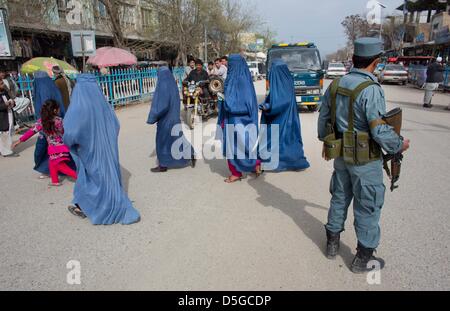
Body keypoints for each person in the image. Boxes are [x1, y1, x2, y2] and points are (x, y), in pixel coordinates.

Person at [318, 37, 410, 274]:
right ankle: (363, 259)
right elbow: (379, 129)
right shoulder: (371, 90)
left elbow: (323, 118)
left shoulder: (336, 84)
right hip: (366, 160)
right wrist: (398, 145)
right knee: (368, 205)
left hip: (341, 156)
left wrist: (325, 140)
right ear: (376, 62)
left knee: (339, 197)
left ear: (354, 59)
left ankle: (331, 245)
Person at [63, 73, 141, 225]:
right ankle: (108, 202)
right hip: (107, 147)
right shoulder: (102, 103)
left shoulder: (79, 105)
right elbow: (116, 125)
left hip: (87, 148)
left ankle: (87, 206)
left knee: (90, 176)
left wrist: (73, 143)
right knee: (106, 175)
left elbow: (70, 132)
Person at [259, 59, 310, 172]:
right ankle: (291, 161)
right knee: (288, 139)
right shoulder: (287, 79)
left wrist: (267, 107)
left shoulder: (281, 81)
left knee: (279, 139)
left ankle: (279, 162)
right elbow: (275, 97)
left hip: (281, 116)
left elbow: (282, 100)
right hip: (288, 116)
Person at [218, 54, 261, 183]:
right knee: (248, 143)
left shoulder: (239, 80)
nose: (227, 65)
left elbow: (244, 104)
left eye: (229, 64)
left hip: (237, 119)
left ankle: (236, 173)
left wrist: (225, 101)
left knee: (234, 146)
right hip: (241, 119)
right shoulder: (243, 78)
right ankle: (256, 164)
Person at [12, 100, 77, 186]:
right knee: (52, 163)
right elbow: (65, 132)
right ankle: (55, 181)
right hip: (61, 147)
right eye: (58, 109)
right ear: (54, 110)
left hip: (54, 149)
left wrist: (20, 140)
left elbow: (31, 131)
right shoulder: (59, 120)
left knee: (62, 167)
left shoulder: (41, 122)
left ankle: (81, 178)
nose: (59, 111)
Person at [147, 67, 196, 173]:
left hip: (165, 119)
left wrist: (152, 117)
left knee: (163, 142)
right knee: (177, 138)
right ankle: (190, 152)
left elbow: (161, 105)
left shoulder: (163, 85)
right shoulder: (172, 84)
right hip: (174, 117)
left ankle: (163, 165)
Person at [32, 71, 66, 178]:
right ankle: (53, 173)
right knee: (53, 149)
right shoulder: (51, 85)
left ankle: (50, 171)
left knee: (43, 149)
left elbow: (44, 105)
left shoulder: (40, 85)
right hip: (53, 123)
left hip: (47, 124)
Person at [0, 80, 18, 157]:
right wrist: (5, 104)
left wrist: (12, 103)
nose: (3, 84)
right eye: (1, 83)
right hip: (2, 117)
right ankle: (6, 152)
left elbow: (11, 100)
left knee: (7, 133)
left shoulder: (4, 92)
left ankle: (6, 150)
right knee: (4, 134)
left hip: (8, 115)